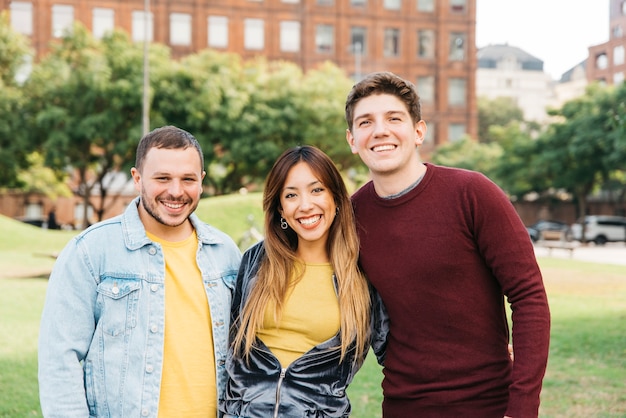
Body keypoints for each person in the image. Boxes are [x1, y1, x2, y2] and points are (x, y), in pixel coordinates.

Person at [344, 71, 550, 418]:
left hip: (488, 405)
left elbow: (529, 298)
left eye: (394, 118)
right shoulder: (352, 216)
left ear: (419, 131)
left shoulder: (472, 193)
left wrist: (522, 408)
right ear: (352, 139)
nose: (380, 130)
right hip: (401, 407)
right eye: (366, 122)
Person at [38, 125, 242, 417]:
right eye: (162, 178)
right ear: (137, 179)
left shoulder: (225, 252)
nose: (176, 191)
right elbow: (59, 360)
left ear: (202, 181)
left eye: (188, 179)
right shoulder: (91, 251)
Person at [220, 145, 387, 417]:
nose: (305, 205)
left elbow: (397, 357)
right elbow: (228, 350)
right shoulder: (256, 261)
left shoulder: (362, 274)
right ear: (281, 209)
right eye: (291, 195)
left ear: (336, 197)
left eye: (317, 190)